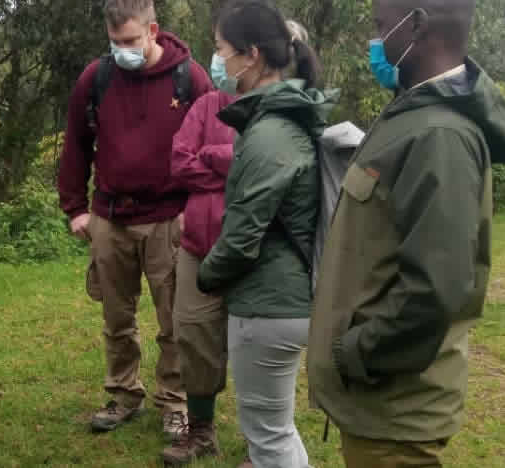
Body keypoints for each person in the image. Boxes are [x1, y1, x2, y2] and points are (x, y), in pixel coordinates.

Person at [306, 0, 505, 466]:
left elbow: (436, 288)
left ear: (418, 25)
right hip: (377, 403)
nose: (375, 42)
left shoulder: (439, 136)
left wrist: (354, 353)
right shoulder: (409, 116)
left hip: (393, 409)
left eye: (382, 27)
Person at [57, 0, 213, 439]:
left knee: (175, 320)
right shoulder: (97, 77)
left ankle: (175, 402)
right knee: (116, 318)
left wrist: (194, 207)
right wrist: (75, 208)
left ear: (153, 30)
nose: (122, 49)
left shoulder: (190, 78)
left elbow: (213, 144)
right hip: (110, 215)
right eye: (114, 42)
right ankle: (124, 394)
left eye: (130, 40)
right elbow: (76, 145)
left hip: (169, 217)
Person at [196, 1, 335, 467]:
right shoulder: (286, 119)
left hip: (267, 304)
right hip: (286, 297)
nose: (218, 61)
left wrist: (206, 275)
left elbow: (241, 236)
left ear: (250, 55)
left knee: (268, 439)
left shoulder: (269, 132)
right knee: (278, 430)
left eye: (220, 49)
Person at [159, 81, 237, 464]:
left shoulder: (276, 107)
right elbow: (179, 162)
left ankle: (269, 441)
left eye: (224, 48)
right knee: (192, 331)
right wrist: (229, 171)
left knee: (257, 342)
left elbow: (265, 166)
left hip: (254, 246)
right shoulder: (208, 105)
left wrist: (211, 155)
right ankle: (201, 430)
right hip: (197, 244)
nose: (220, 59)